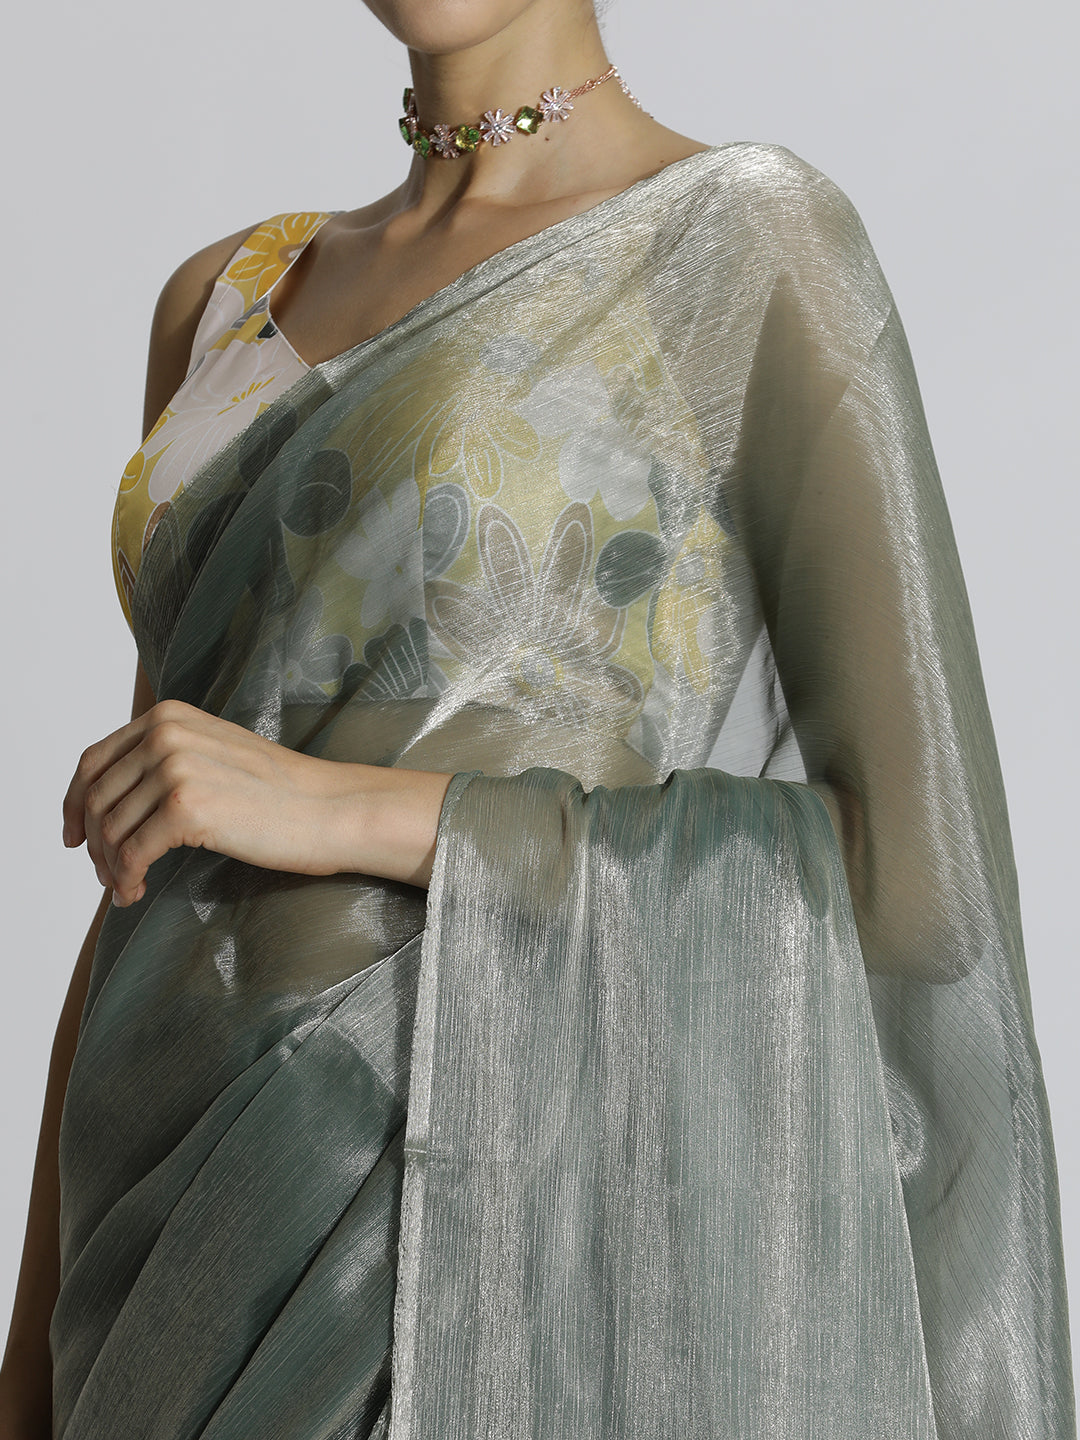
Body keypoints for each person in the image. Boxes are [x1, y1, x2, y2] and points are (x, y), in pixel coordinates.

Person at [1, 0, 1074, 1435]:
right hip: (149, 1253)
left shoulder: (741, 248)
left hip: (456, 1239)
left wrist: (346, 809)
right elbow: (143, 852)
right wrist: (28, 1363)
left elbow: (914, 888)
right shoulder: (224, 299)